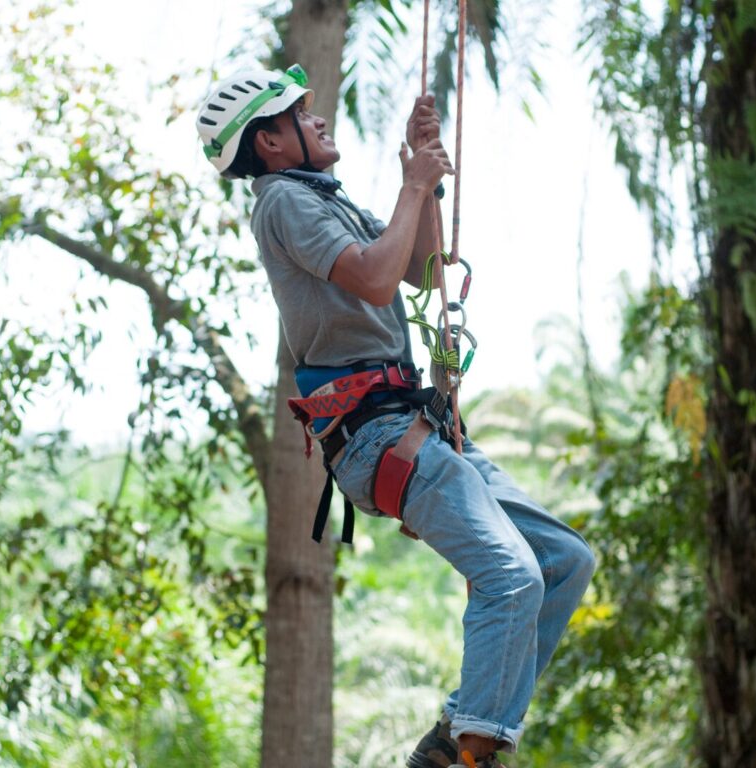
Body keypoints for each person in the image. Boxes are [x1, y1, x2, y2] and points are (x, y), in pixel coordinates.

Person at [197, 64, 595, 768]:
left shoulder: (323, 199)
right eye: (300, 115)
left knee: (563, 561)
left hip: (414, 424)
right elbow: (378, 279)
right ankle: (470, 750)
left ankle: (458, 730)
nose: (318, 119)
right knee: (511, 576)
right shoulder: (281, 200)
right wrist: (411, 184)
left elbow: (422, 268)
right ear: (270, 143)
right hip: (376, 433)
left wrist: (427, 181)